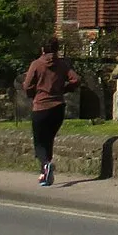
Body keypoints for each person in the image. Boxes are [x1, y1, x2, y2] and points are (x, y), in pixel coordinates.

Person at [20, 36, 80, 187]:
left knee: (39, 142)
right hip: (58, 107)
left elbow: (27, 86)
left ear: (42, 49)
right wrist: (64, 89)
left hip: (41, 107)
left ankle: (46, 164)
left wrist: (33, 94)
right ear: (57, 49)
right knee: (49, 139)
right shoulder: (62, 65)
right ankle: (44, 174)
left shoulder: (37, 64)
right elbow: (76, 80)